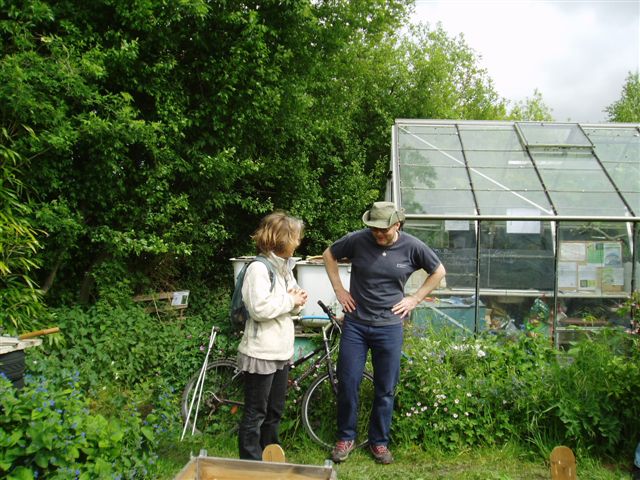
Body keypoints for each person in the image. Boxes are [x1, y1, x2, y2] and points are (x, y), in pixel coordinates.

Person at [322, 201, 446, 464]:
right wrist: (340, 291)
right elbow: (328, 254)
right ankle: (345, 438)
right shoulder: (357, 240)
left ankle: (379, 443)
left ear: (397, 225)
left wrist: (414, 299)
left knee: (385, 389)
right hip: (355, 325)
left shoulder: (413, 246)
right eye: (374, 229)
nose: (378, 234)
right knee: (348, 383)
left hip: (389, 327)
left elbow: (438, 271)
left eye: (383, 230)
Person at [237, 211, 308, 461]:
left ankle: (269, 459)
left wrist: (297, 301)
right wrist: (291, 300)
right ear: (281, 239)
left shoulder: (283, 269)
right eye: (295, 237)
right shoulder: (258, 269)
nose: (298, 242)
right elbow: (259, 309)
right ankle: (251, 463)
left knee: (274, 411)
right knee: (256, 412)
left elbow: (286, 302)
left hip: (280, 352)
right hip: (261, 352)